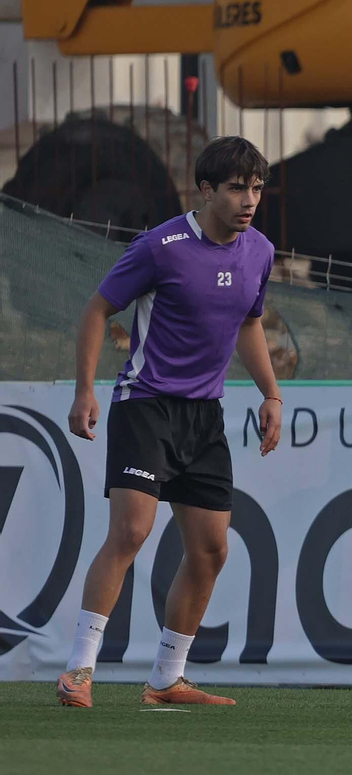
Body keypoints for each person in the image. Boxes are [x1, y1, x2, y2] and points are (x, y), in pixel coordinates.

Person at [57, 137, 282, 708]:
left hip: (205, 416)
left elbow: (250, 323)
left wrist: (271, 394)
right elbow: (96, 309)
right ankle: (79, 669)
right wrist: (85, 391)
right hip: (146, 404)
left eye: (256, 187)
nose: (248, 199)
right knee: (131, 531)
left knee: (211, 550)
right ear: (205, 191)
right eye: (236, 188)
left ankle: (165, 679)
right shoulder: (162, 246)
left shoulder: (259, 250)